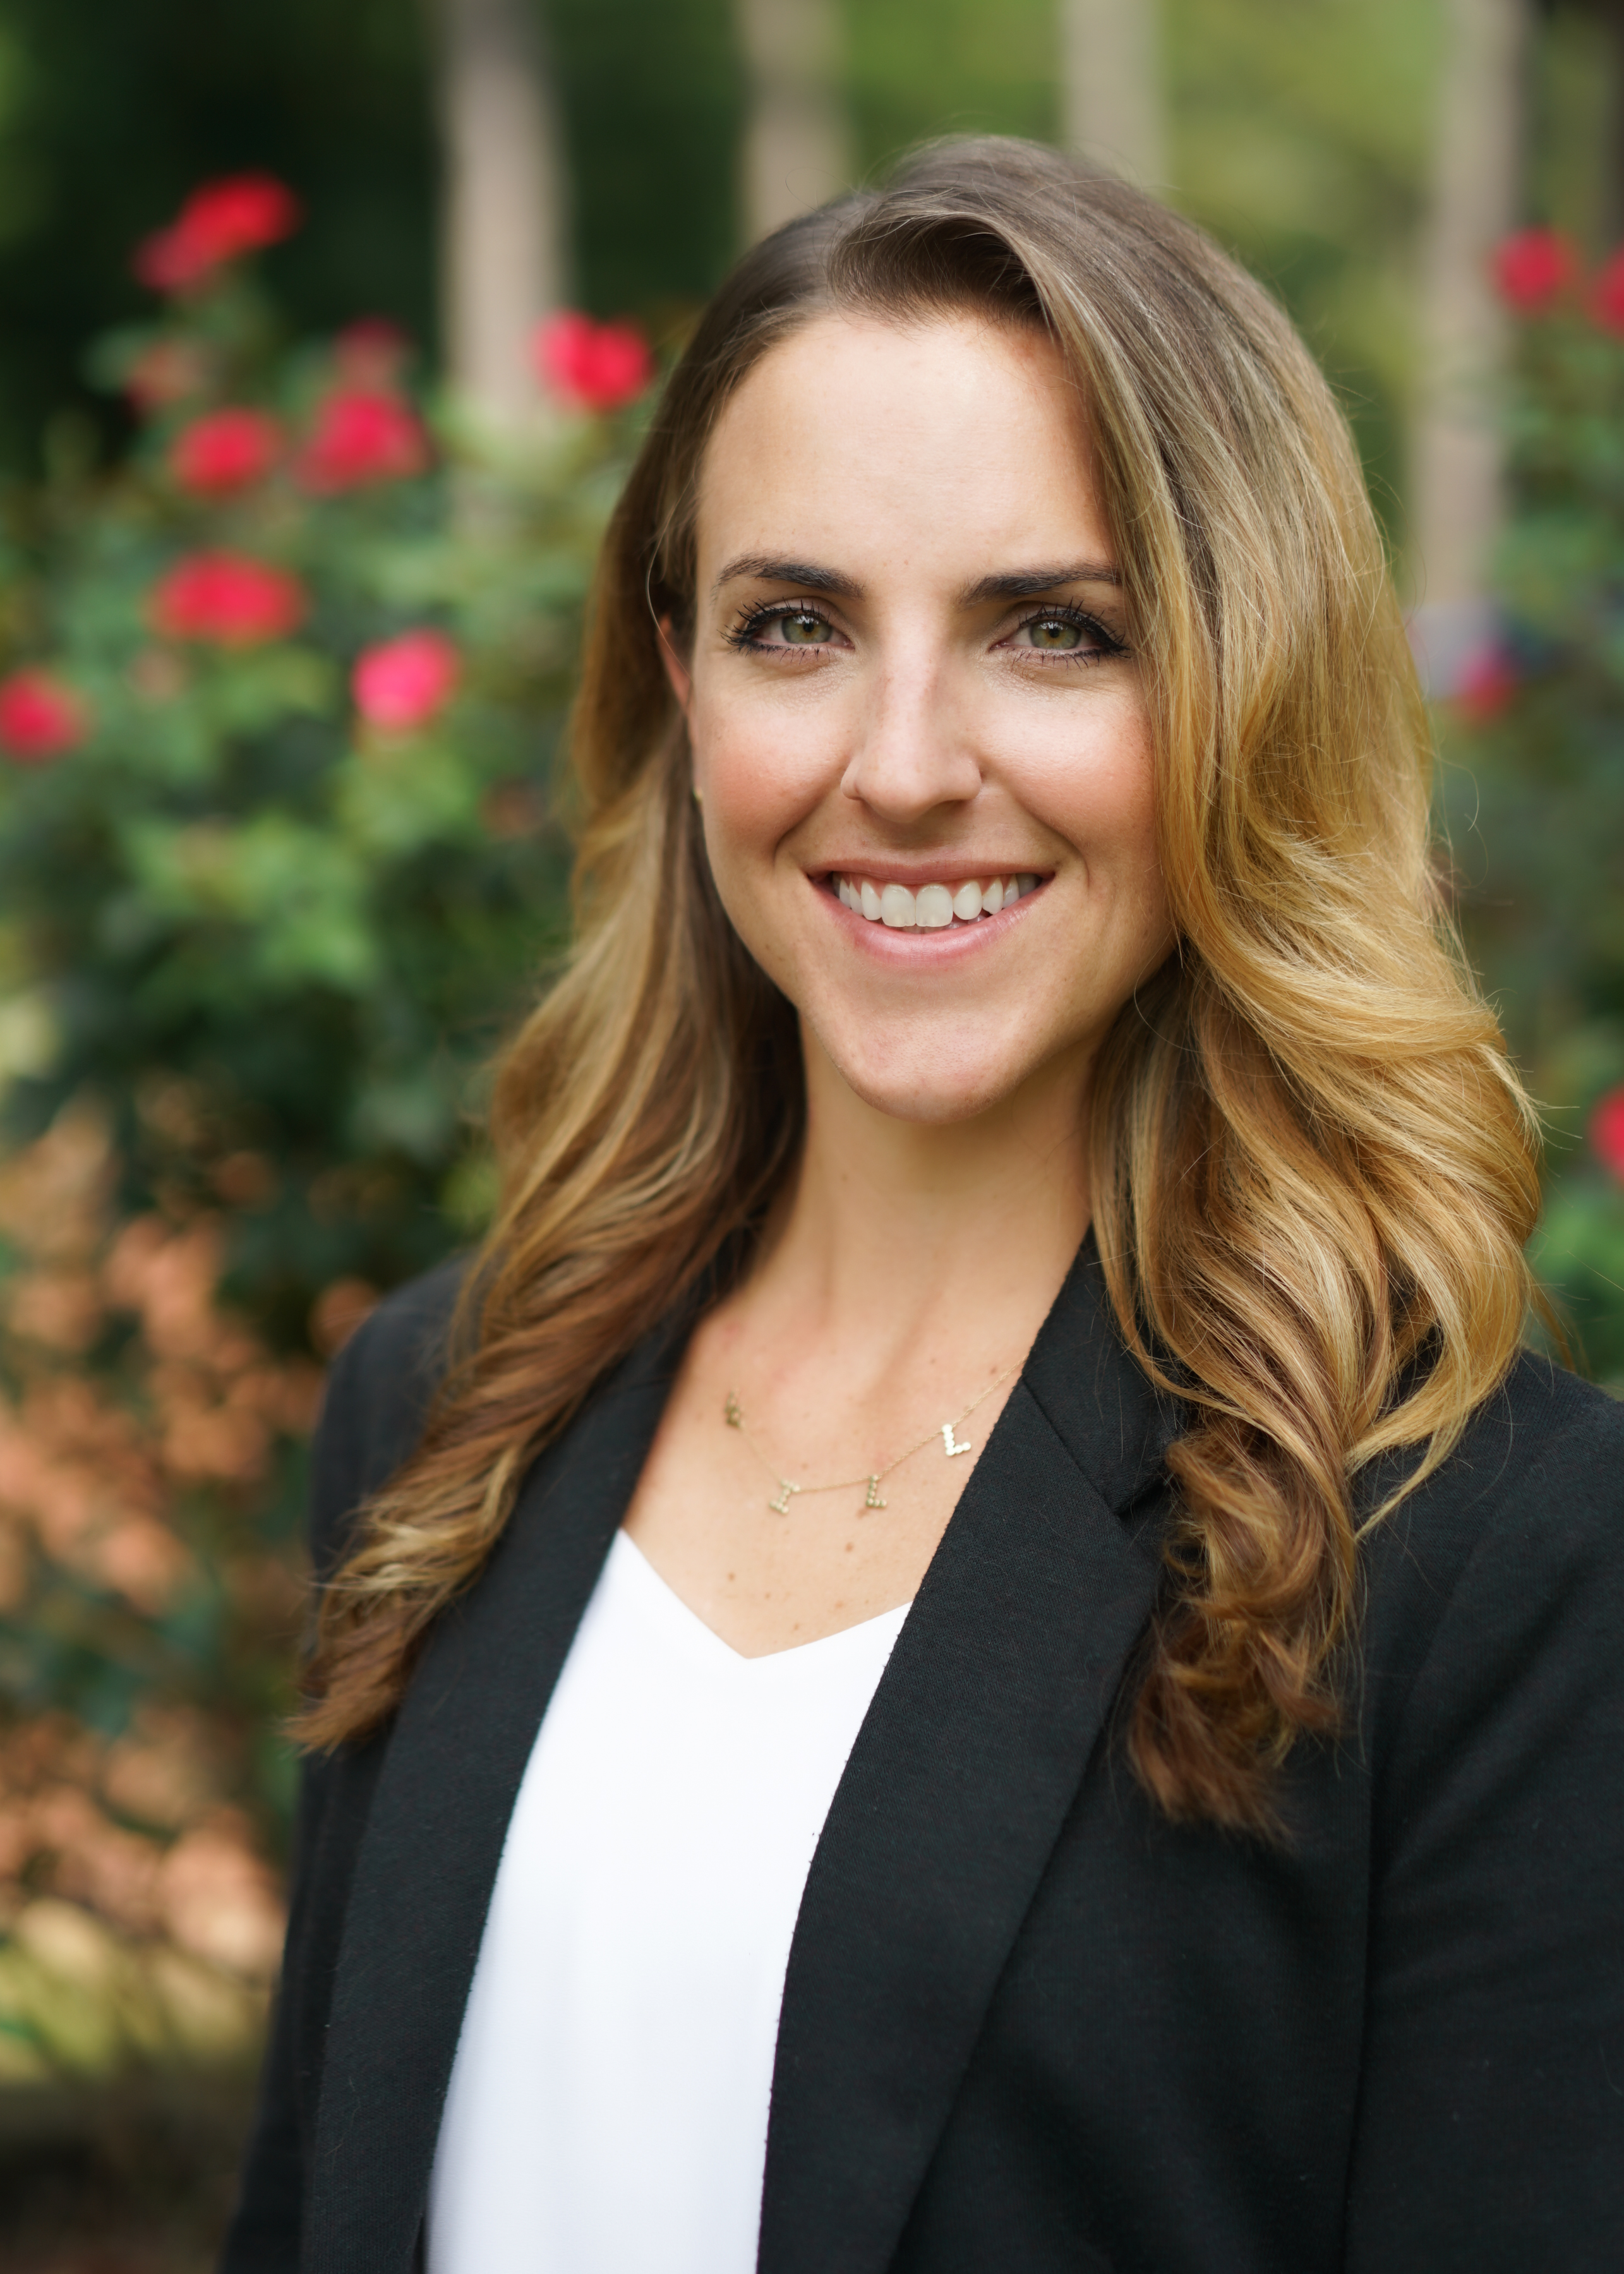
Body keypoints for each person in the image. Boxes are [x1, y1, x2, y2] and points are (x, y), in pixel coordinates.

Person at [219, 139, 1624, 2274]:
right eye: (793, 625)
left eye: (1050, 633)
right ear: (681, 680)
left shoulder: (1475, 1558)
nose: (897, 762)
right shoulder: (444, 1409)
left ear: (1243, 692)